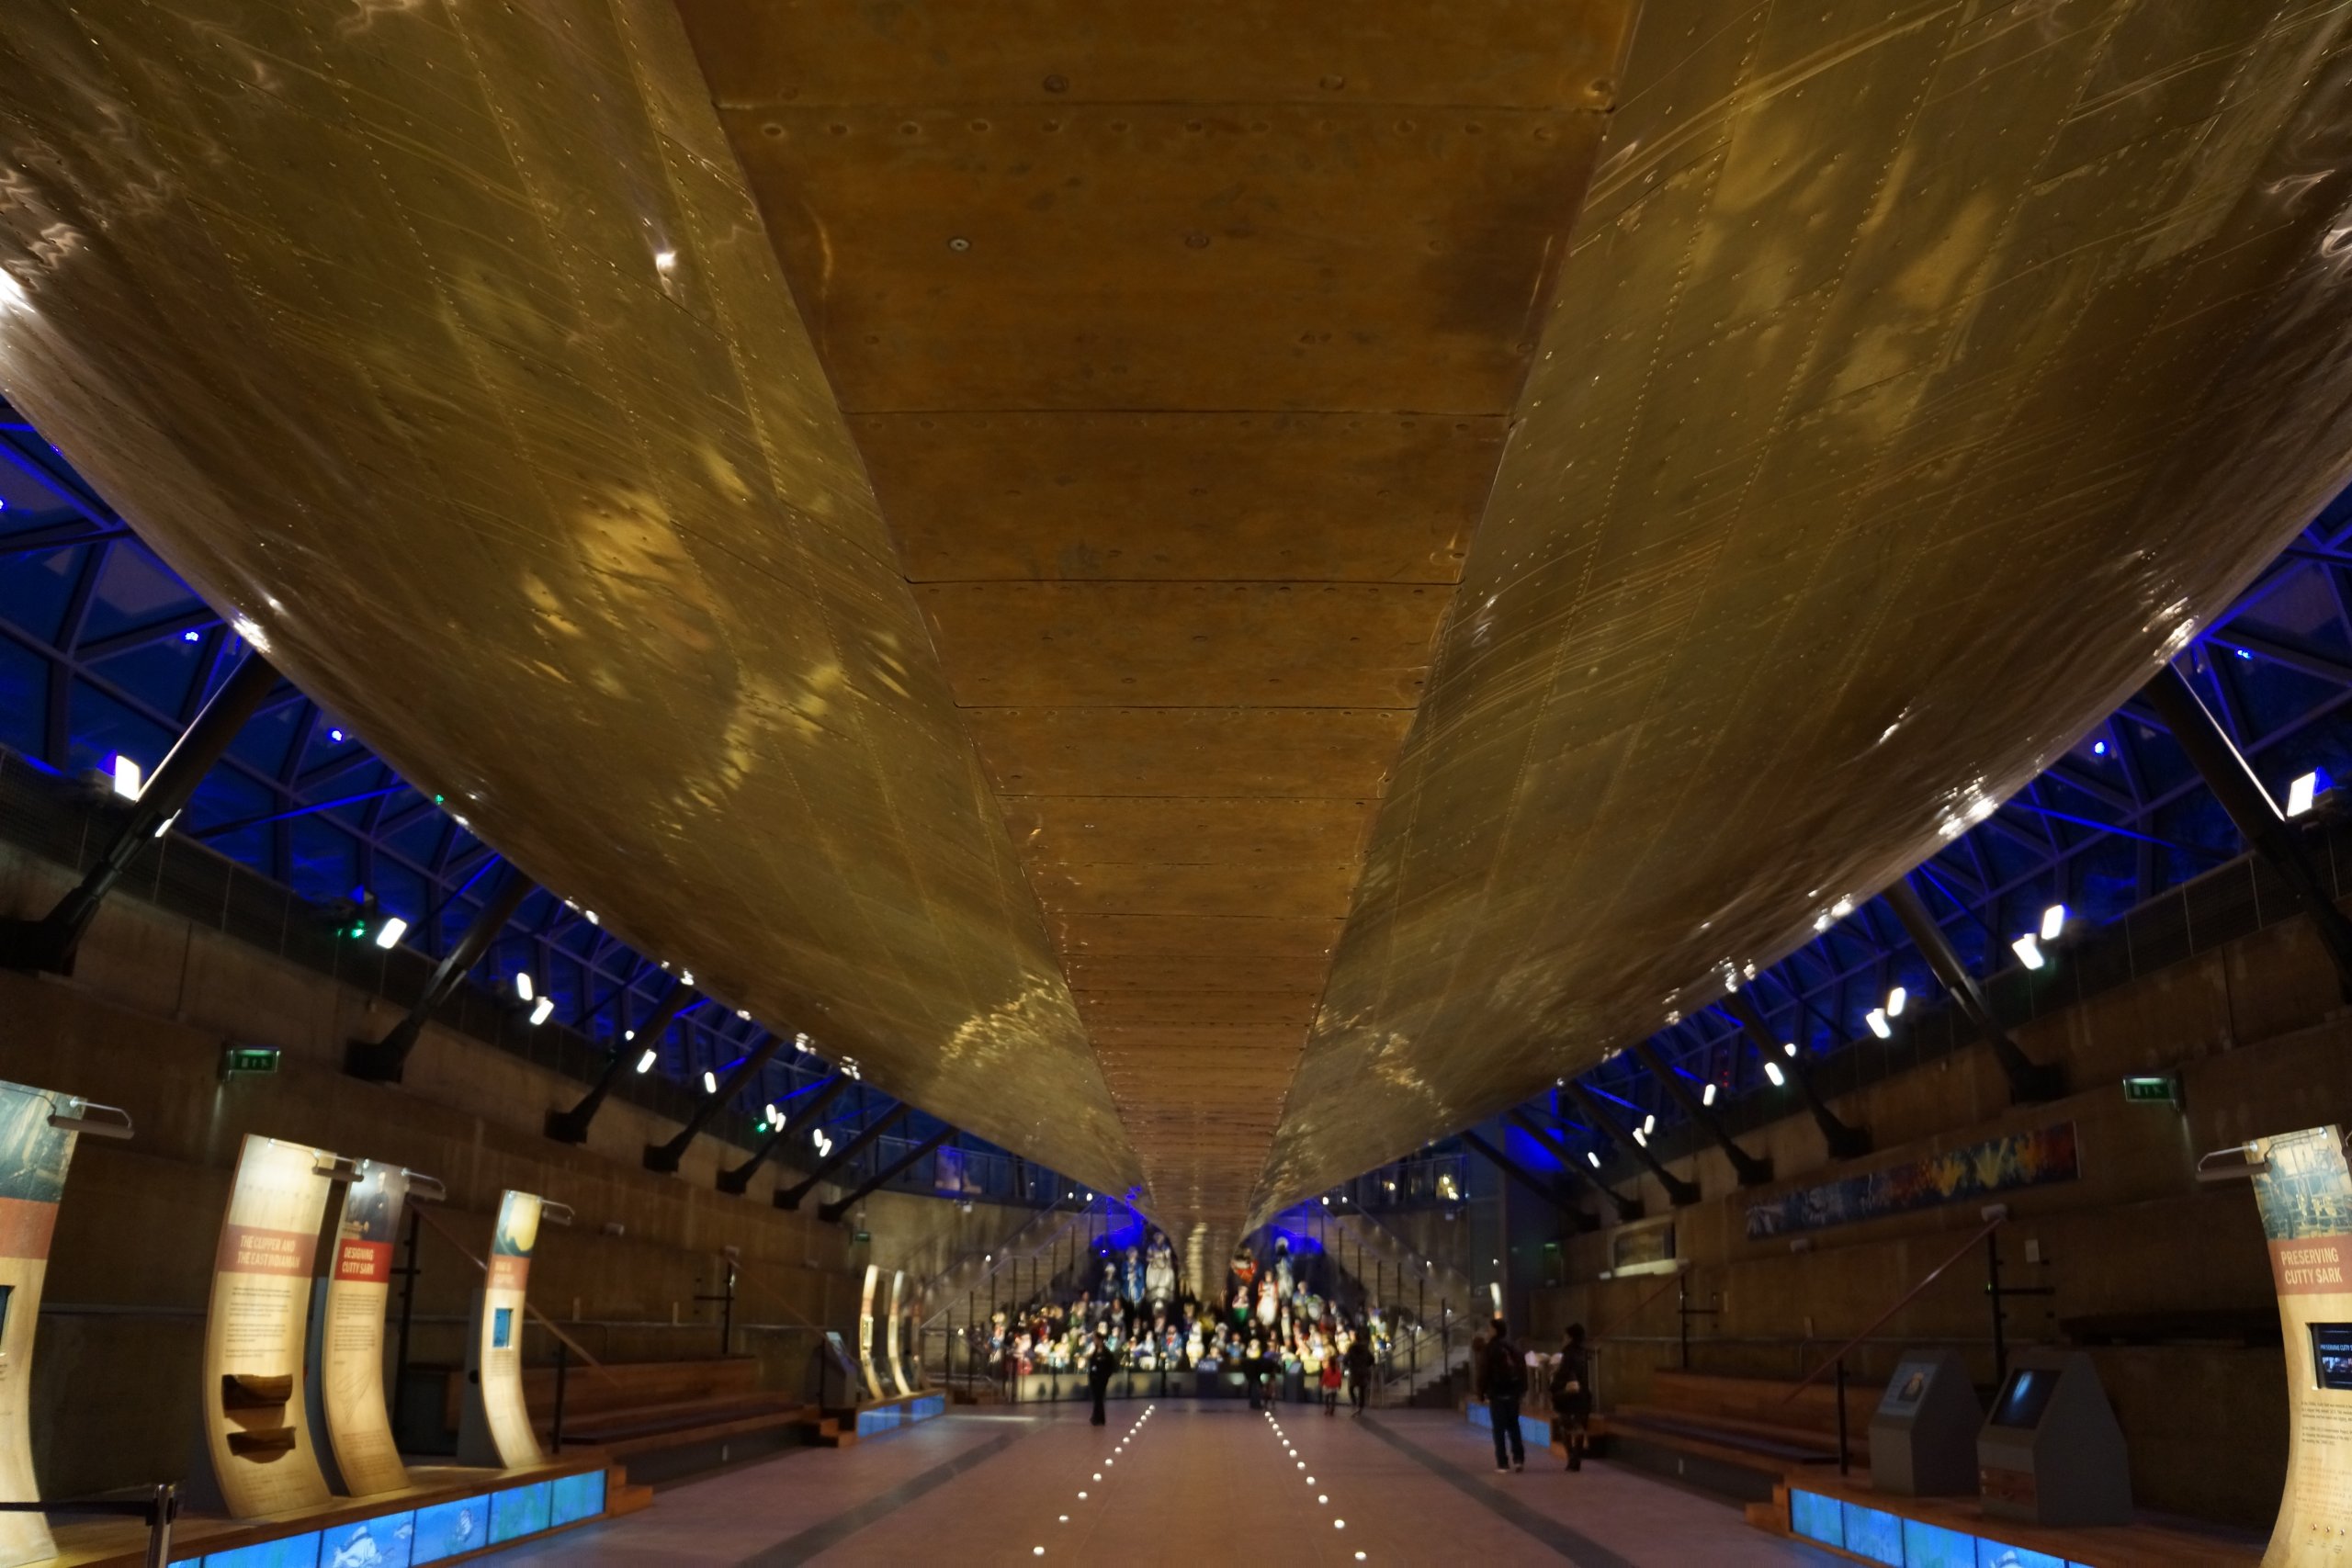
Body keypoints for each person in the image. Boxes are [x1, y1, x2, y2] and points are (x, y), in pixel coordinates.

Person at [1483, 1318, 1528, 1472]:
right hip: (1513, 1393)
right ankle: (1519, 1459)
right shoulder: (1512, 1348)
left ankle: (1502, 1462)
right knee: (1514, 1426)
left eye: (1489, 1329)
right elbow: (1522, 1368)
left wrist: (1481, 1392)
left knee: (1499, 1429)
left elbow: (1484, 1372)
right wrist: (1522, 1389)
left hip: (1497, 1393)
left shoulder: (1490, 1348)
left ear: (1495, 1330)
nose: (1487, 1332)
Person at [1550, 1323, 1593, 1472]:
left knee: (1566, 1427)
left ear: (1569, 1337)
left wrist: (1554, 1387)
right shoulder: (1585, 1353)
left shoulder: (1568, 1354)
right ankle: (1577, 1458)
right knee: (1579, 1427)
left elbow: (1563, 1375)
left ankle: (1571, 1459)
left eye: (1564, 1336)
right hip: (1583, 1395)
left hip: (1568, 1397)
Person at [1086, 1334, 1117, 1427]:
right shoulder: (1094, 1351)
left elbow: (1110, 1365)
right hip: (1094, 1377)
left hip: (1102, 1377)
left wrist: (1107, 1375)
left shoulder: (1107, 1353)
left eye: (1095, 1339)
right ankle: (1100, 1418)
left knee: (1099, 1397)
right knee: (1097, 1398)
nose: (1094, 1341)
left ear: (1100, 1340)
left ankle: (1096, 1417)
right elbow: (1092, 1362)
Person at [1344, 1329, 1374, 1415]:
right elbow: (1372, 1359)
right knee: (1362, 1390)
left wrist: (1348, 1365)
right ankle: (1360, 1406)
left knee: (1351, 1388)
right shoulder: (1365, 1348)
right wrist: (1366, 1365)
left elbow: (1346, 1359)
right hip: (1363, 1371)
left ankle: (1354, 1402)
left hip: (1354, 1370)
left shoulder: (1351, 1348)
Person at [1320, 1351, 1343, 1416]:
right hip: (1335, 1387)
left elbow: (1324, 1378)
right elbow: (1339, 1379)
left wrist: (1321, 1384)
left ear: (1329, 1362)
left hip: (1328, 1387)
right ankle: (1332, 1409)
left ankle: (1327, 1408)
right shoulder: (1338, 1371)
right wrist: (1339, 1385)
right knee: (1333, 1399)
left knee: (1326, 1398)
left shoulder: (1327, 1370)